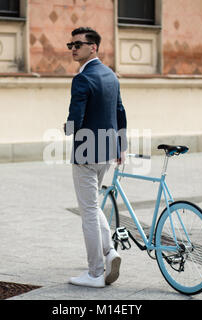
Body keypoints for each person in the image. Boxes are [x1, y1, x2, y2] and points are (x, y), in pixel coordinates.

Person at [64, 27, 127, 288]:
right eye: (71, 44)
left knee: (88, 210)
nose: (74, 48)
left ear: (94, 47)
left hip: (86, 153)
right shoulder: (111, 75)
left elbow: (75, 118)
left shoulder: (82, 78)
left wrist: (66, 130)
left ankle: (94, 273)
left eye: (79, 44)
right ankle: (110, 251)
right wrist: (120, 146)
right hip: (107, 152)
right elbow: (120, 112)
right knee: (93, 206)